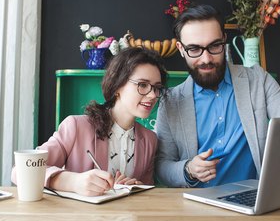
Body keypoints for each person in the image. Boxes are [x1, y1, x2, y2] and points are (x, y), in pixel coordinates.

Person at [155, 4, 280, 204]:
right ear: (181, 49)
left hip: (255, 202)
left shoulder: (258, 81)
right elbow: (161, 164)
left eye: (214, 46)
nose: (206, 58)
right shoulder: (170, 101)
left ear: (225, 41)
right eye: (194, 49)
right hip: (196, 205)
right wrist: (188, 170)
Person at [12, 47, 167, 196]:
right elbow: (20, 171)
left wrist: (134, 188)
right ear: (118, 84)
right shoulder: (75, 127)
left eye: (156, 88)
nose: (153, 95)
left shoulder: (149, 140)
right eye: (143, 85)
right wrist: (73, 182)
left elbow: (147, 192)